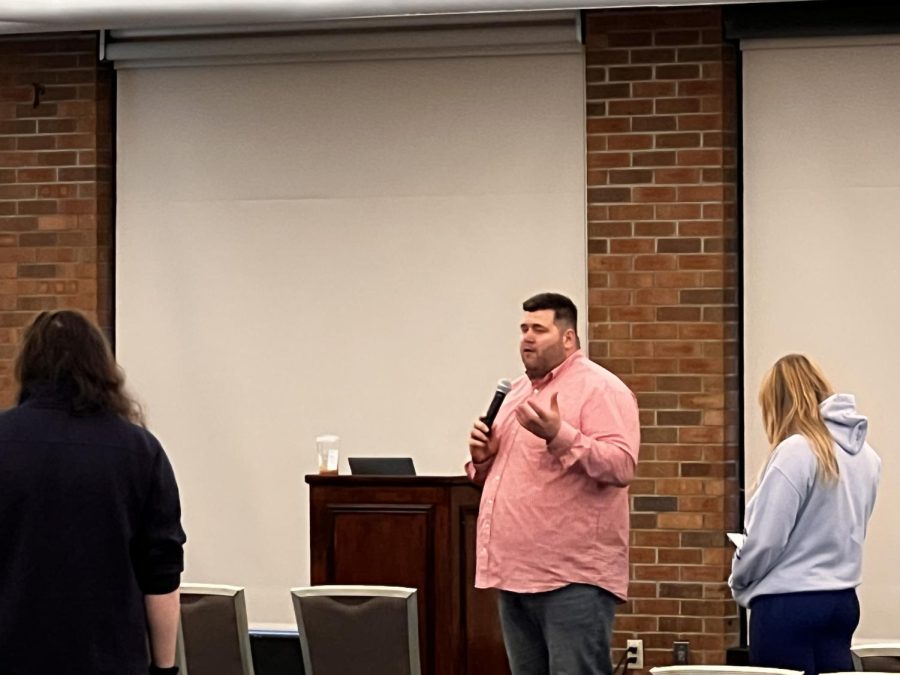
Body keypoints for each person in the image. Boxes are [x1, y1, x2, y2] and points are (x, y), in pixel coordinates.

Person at [0, 310, 187, 675]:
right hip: (110, 660)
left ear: (29, 365)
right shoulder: (140, 451)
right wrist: (164, 668)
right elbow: (162, 576)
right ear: (100, 366)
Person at [466, 292, 640, 675]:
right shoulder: (516, 393)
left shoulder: (601, 389)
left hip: (571, 579)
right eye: (524, 329)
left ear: (568, 338)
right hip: (514, 574)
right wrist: (483, 460)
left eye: (539, 329)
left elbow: (622, 465)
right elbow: (512, 475)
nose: (527, 338)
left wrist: (559, 434)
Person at [729, 354, 880, 675]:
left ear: (777, 403)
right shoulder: (866, 457)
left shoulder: (796, 451)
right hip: (841, 603)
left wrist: (739, 580)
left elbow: (766, 539)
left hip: (788, 604)